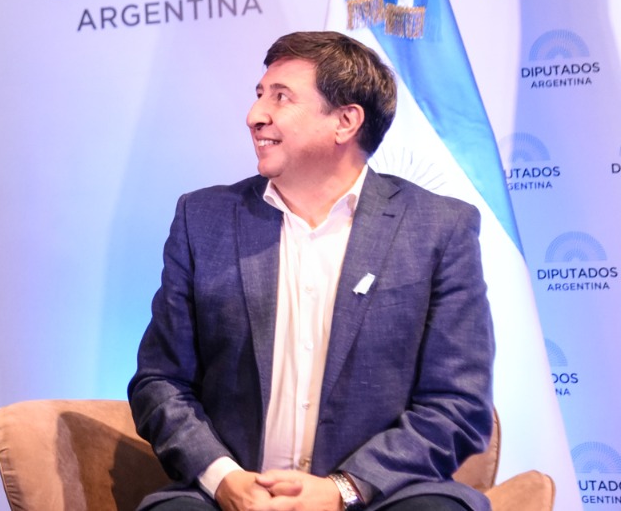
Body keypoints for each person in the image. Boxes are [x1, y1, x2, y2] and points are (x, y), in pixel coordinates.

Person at [128, 31, 494, 511]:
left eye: (281, 97)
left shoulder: (438, 228)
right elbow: (160, 381)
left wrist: (343, 489)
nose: (255, 115)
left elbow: (457, 403)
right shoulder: (203, 220)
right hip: (232, 496)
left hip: (376, 498)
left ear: (345, 121)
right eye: (260, 94)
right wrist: (224, 479)